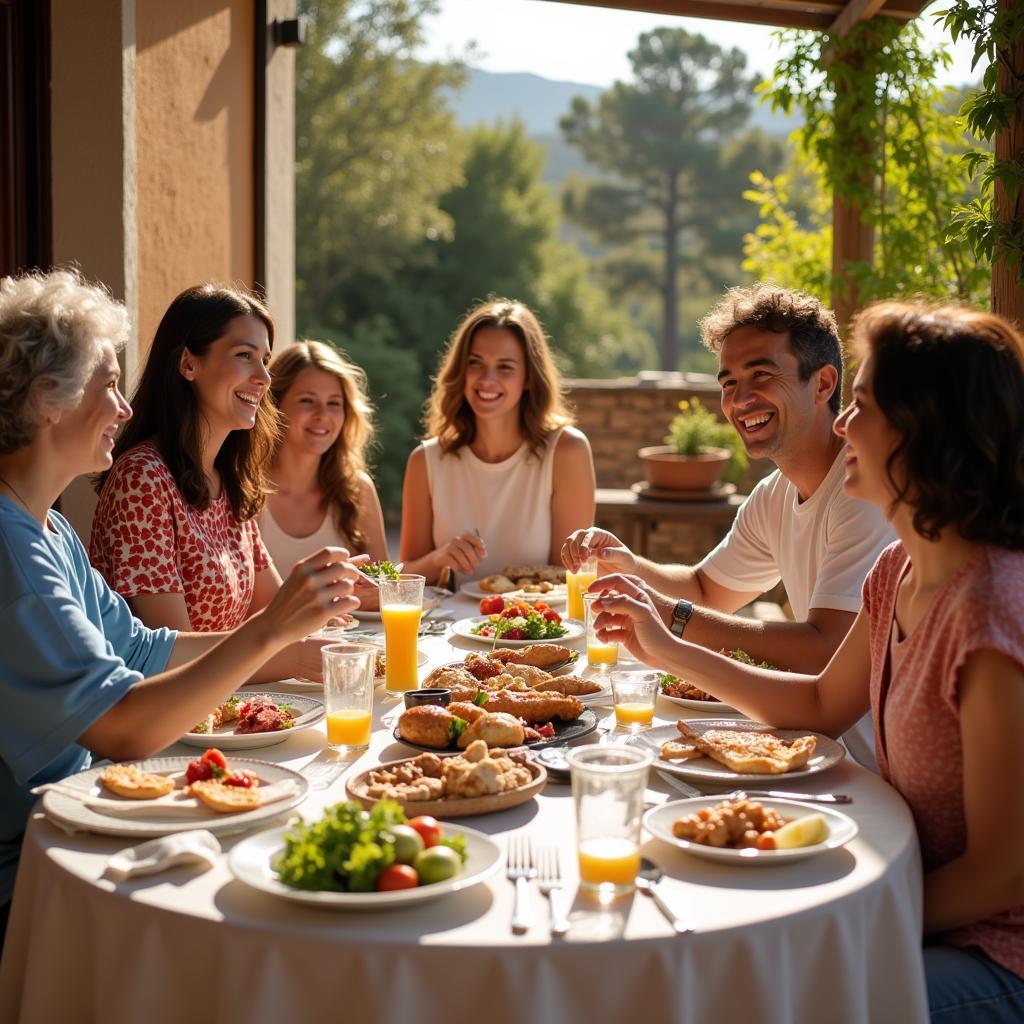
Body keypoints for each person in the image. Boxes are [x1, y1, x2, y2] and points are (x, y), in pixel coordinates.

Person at [592, 301, 1024, 1022]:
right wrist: (666, 648)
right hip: (902, 894)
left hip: (993, 952)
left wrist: (839, 917)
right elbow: (819, 706)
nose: (845, 426)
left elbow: (1004, 872)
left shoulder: (991, 610)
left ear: (927, 427)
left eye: (862, 404)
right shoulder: (897, 571)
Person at [0, 269, 359, 930]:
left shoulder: (46, 527)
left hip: (86, 814)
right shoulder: (12, 549)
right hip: (37, 866)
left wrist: (295, 644)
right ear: (51, 398)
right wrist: (271, 633)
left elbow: (142, 648)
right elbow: (124, 726)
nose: (124, 406)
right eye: (107, 382)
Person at [563, 284, 894, 766]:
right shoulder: (774, 493)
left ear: (823, 384)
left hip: (862, 769)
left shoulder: (862, 492)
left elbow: (824, 650)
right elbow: (706, 587)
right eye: (728, 383)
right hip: (811, 753)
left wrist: (672, 622)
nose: (741, 399)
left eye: (761, 374)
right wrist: (630, 565)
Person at [90, 284, 285, 632]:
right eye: (244, 355)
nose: (264, 378)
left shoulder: (226, 479)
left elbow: (274, 615)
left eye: (265, 360)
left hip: (230, 689)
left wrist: (328, 594)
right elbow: (174, 656)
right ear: (188, 364)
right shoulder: (143, 479)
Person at [400, 298, 596, 585]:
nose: (487, 379)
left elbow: (572, 577)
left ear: (529, 377)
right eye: (475, 363)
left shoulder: (567, 451)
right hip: (448, 629)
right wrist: (439, 559)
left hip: (536, 627)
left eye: (505, 367)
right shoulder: (425, 461)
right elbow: (403, 581)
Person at [261, 341, 388, 607]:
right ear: (274, 405)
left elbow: (385, 592)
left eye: (334, 403)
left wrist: (373, 592)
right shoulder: (245, 491)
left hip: (349, 647)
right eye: (307, 401)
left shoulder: (358, 489)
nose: (323, 415)